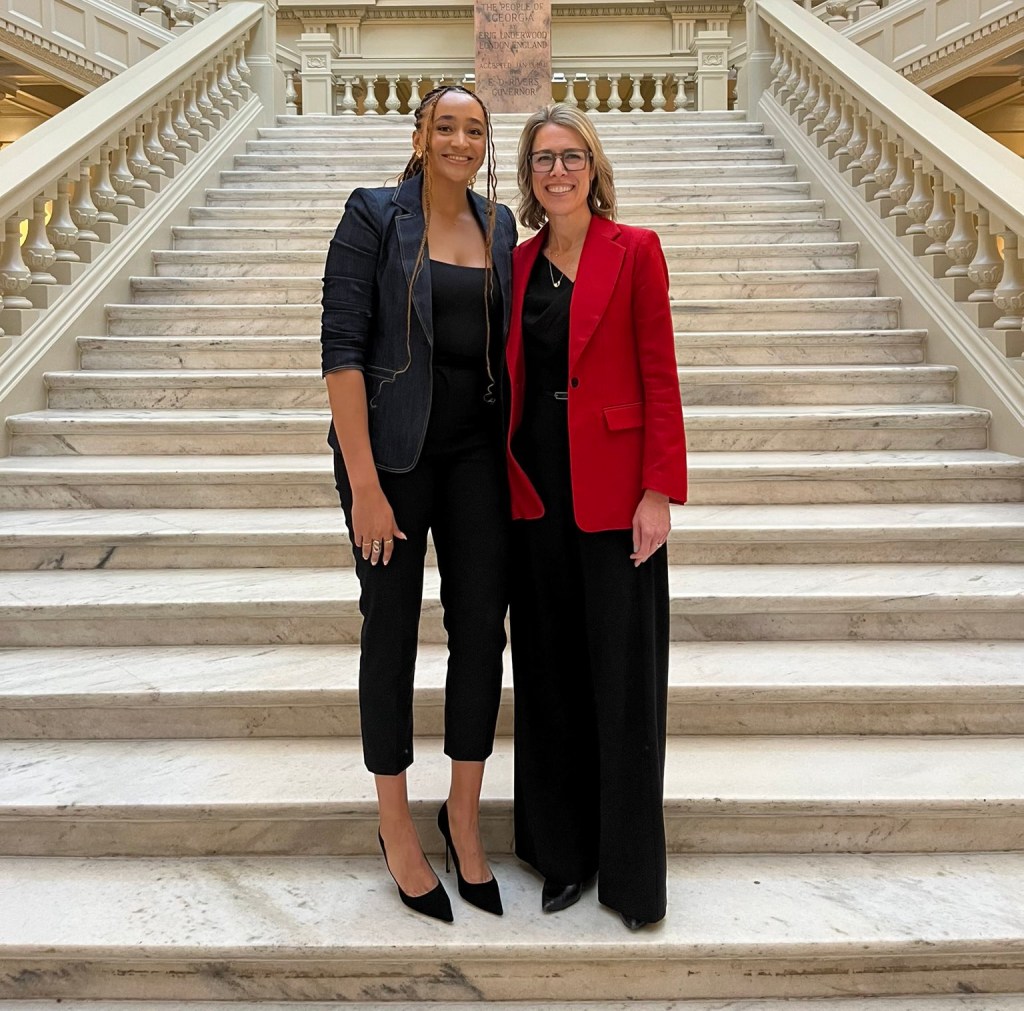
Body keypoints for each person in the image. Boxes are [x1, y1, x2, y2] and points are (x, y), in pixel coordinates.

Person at [321, 85, 517, 923]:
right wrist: (364, 484)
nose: (460, 141)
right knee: (392, 628)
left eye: (474, 129)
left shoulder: (499, 225)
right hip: (390, 461)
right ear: (418, 134)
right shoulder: (372, 215)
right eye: (447, 126)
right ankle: (396, 823)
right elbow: (342, 350)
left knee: (480, 628)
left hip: (476, 457)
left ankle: (462, 815)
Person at [504, 103, 687, 930]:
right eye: (543, 159)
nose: (558, 171)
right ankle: (561, 852)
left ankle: (630, 870)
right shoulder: (516, 262)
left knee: (622, 683)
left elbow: (660, 372)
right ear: (529, 176)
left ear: (593, 165)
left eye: (571, 156)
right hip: (534, 496)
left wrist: (659, 489)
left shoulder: (636, 249)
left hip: (618, 498)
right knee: (547, 676)